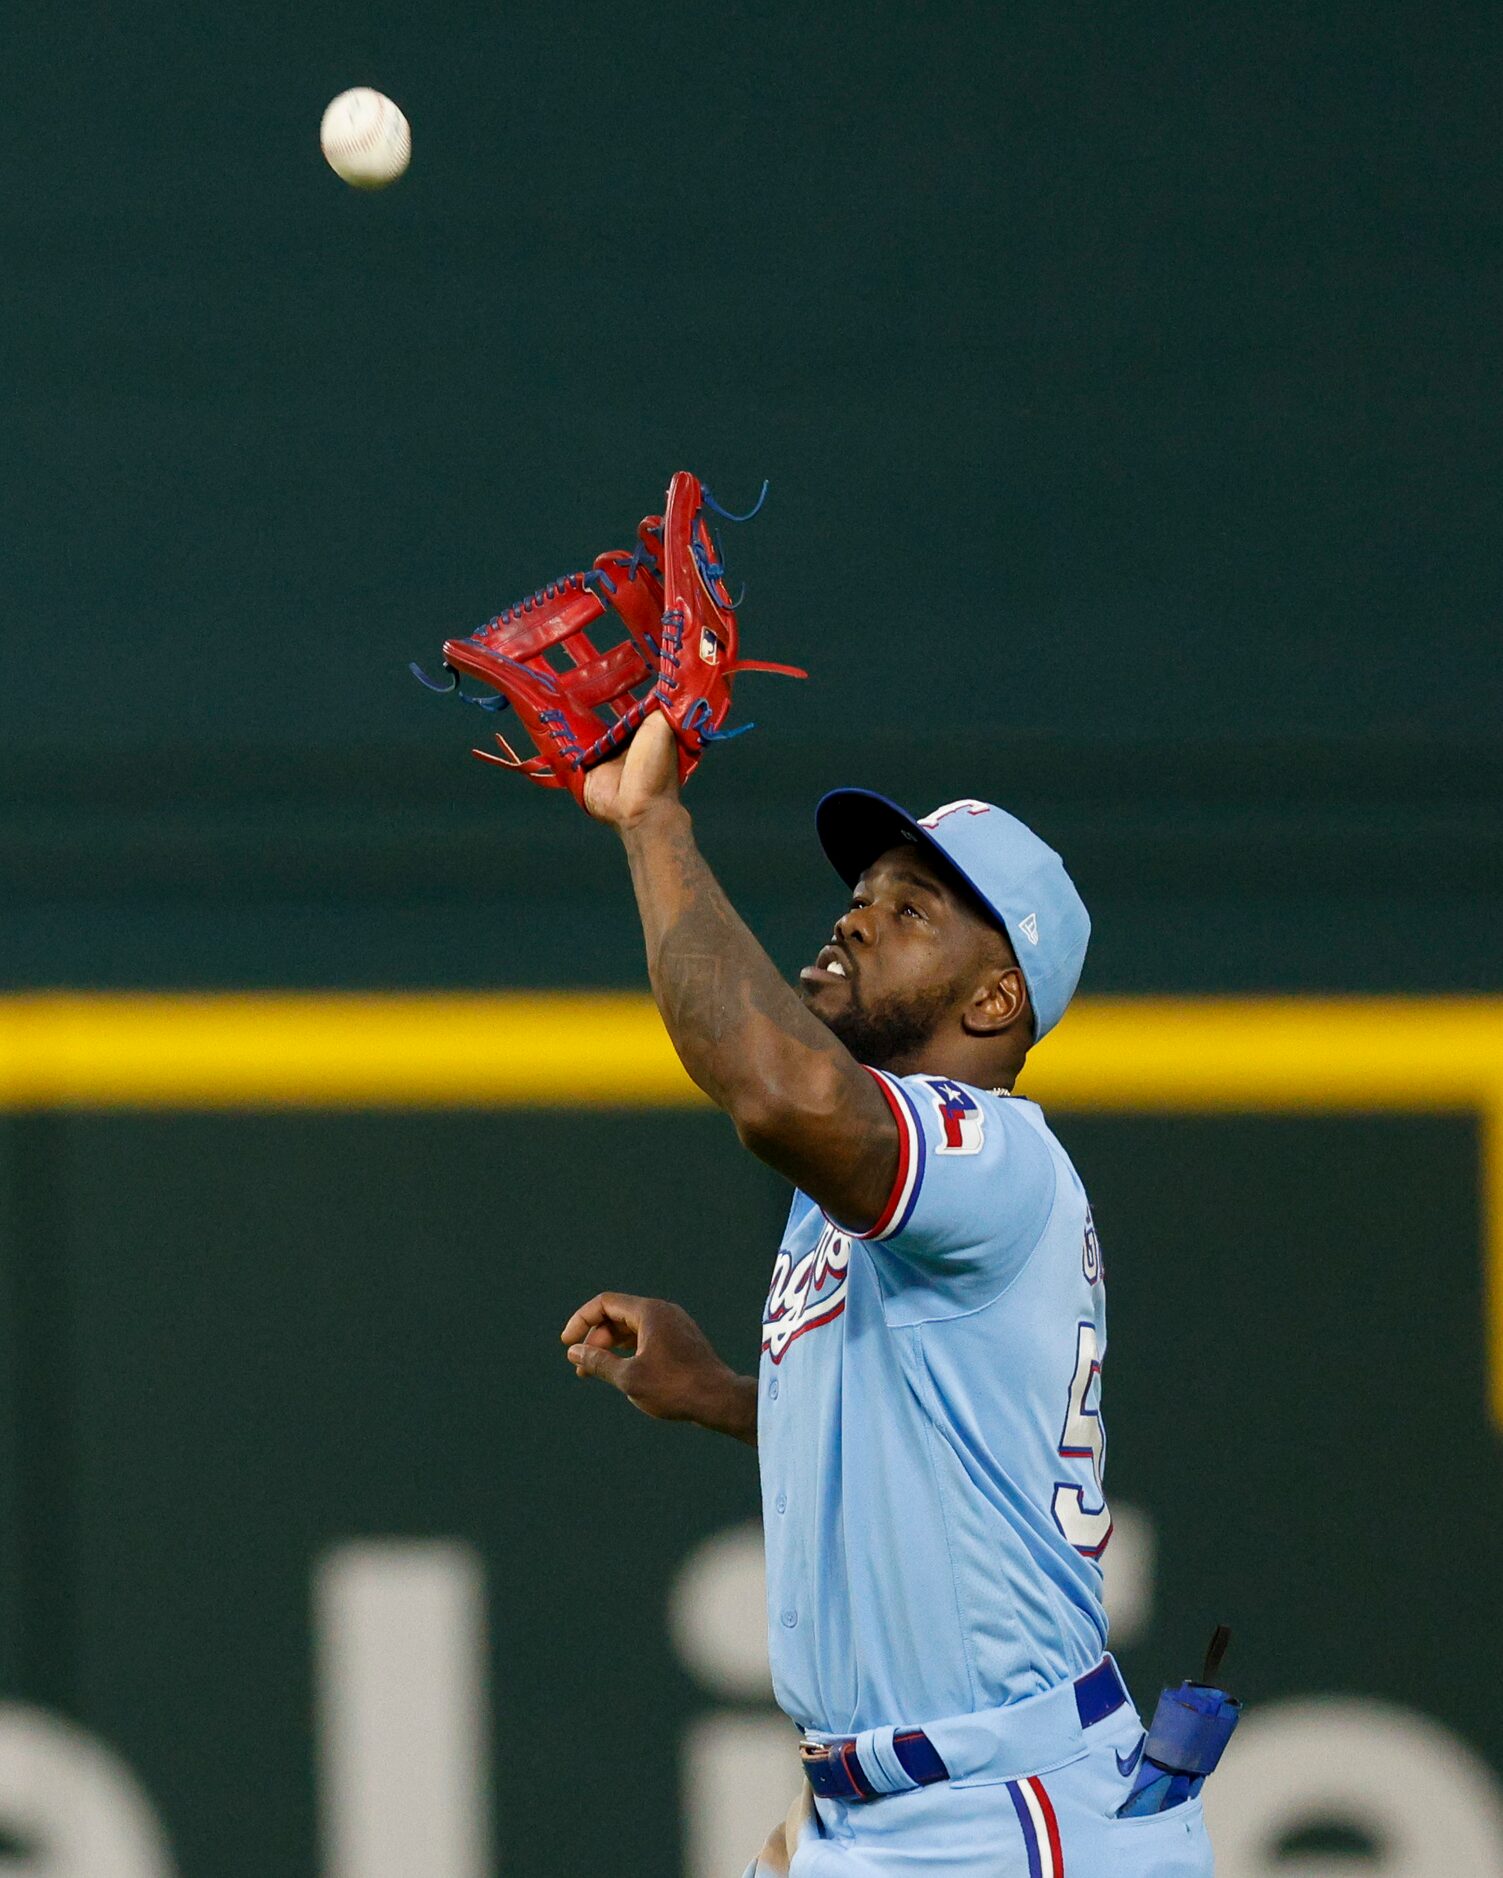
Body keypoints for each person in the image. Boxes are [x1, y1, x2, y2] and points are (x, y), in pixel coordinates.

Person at [560, 714, 1213, 1876]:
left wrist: (654, 824)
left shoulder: (990, 1156)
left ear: (996, 1001)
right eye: (864, 890)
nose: (857, 914)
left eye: (912, 910)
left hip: (1001, 1812)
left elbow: (771, 1091)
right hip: (884, 1810)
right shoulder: (869, 1198)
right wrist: (725, 1395)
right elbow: (939, 1444)